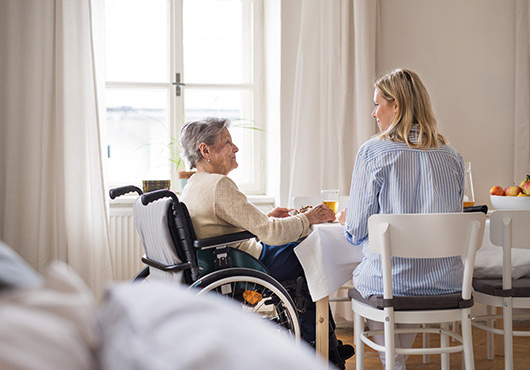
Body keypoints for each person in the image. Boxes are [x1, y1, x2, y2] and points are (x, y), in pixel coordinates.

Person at [178, 117, 354, 369]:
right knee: (312, 253)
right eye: (227, 142)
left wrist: (268, 218)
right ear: (205, 150)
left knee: (304, 251)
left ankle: (327, 345)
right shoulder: (219, 185)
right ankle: (322, 351)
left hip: (229, 260)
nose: (235, 148)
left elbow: (222, 226)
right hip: (246, 266)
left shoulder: (195, 184)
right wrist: (309, 217)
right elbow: (271, 234)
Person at [340, 68, 465, 369]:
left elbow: (356, 230)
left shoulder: (373, 152)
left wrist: (350, 219)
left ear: (396, 106)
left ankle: (392, 362)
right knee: (402, 274)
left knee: (381, 275)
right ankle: (395, 361)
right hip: (446, 283)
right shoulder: (452, 156)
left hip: (392, 285)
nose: (373, 113)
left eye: (377, 104)